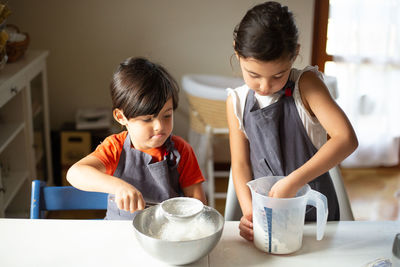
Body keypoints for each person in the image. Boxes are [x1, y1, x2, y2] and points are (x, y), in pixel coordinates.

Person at [226, 1, 358, 241]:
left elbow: (346, 139)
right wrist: (249, 212)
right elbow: (241, 165)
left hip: (315, 215)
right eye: (253, 75)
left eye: (278, 75)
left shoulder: (306, 86)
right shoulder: (236, 100)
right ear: (238, 53)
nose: (265, 87)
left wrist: (294, 182)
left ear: (295, 53)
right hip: (268, 215)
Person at [67, 57, 207, 220]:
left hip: (166, 237)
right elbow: (75, 173)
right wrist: (119, 187)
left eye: (167, 115)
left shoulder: (181, 151)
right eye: (148, 119)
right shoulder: (115, 148)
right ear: (121, 117)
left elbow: (199, 206)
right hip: (118, 234)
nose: (159, 126)